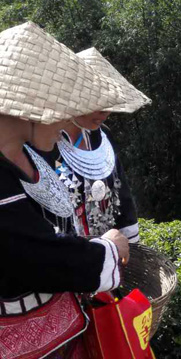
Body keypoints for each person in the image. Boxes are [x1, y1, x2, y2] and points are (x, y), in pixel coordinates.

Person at [0, 22, 130, 359]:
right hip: (16, 357)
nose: (65, 122)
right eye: (62, 107)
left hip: (63, 331)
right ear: (27, 104)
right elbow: (31, 254)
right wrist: (106, 250)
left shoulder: (29, 155)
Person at [34, 47, 151, 242]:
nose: (105, 112)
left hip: (110, 250)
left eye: (109, 103)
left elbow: (122, 195)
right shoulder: (44, 143)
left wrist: (129, 245)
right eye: (97, 102)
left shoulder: (103, 136)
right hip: (67, 253)